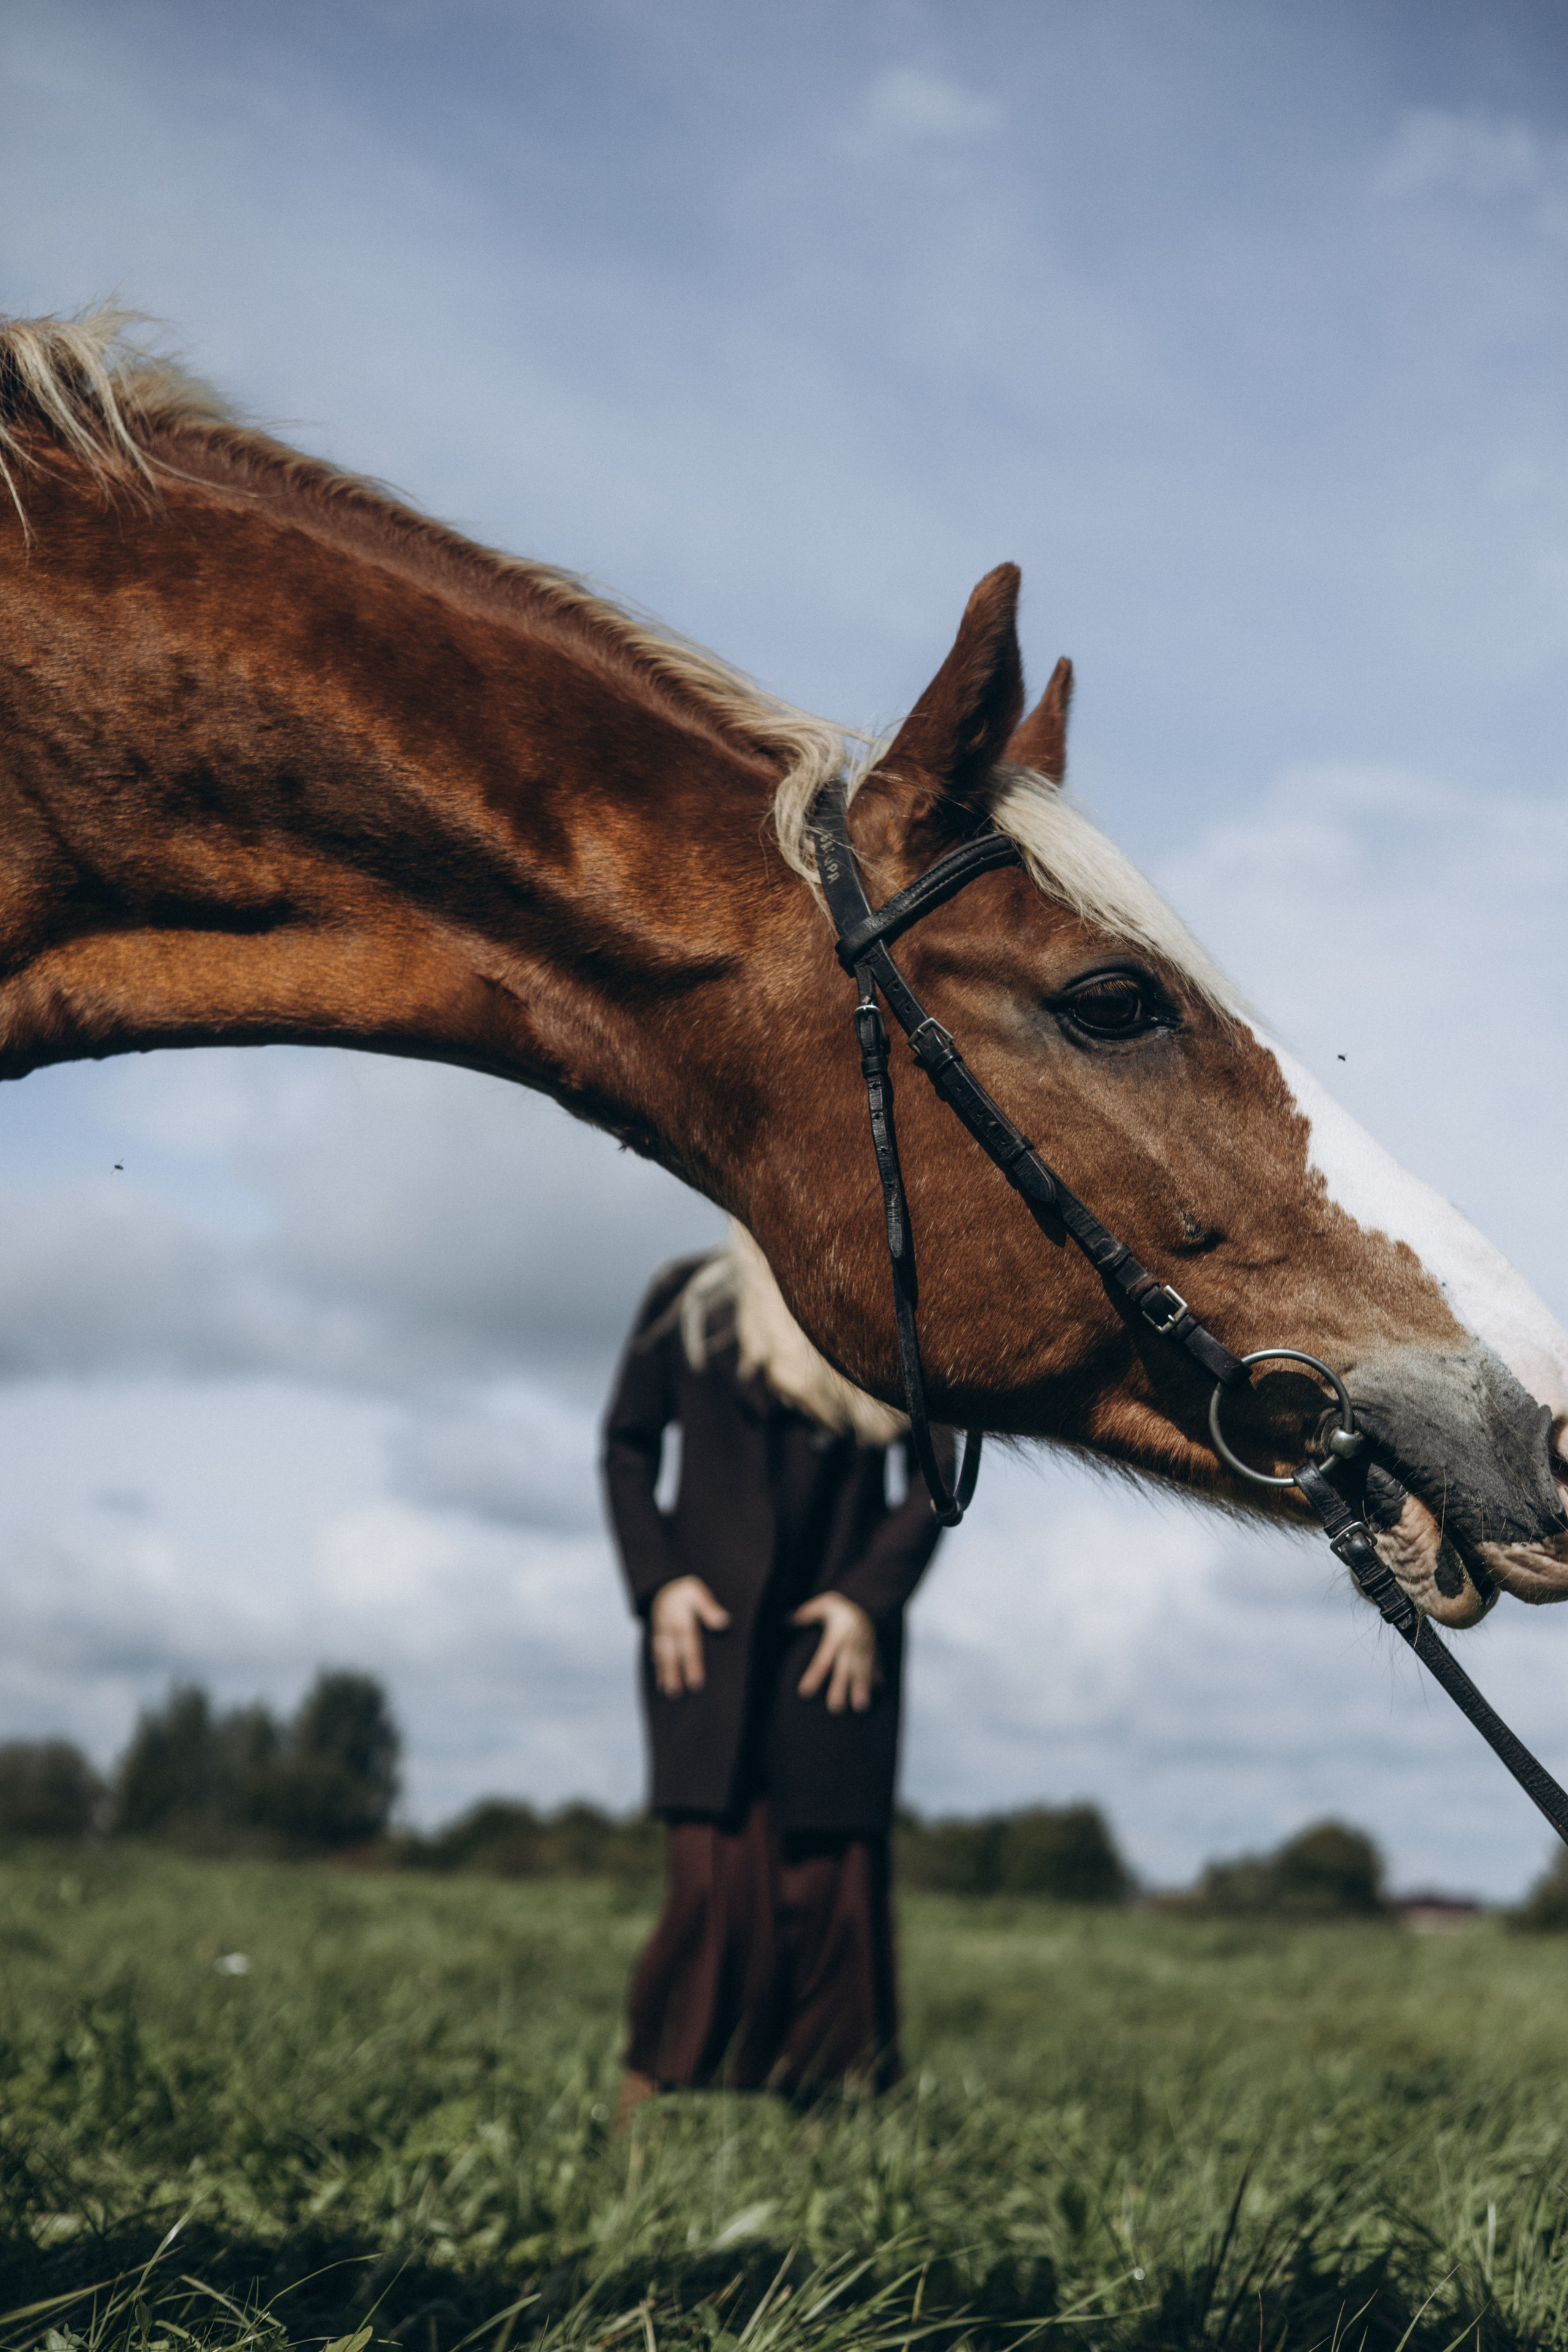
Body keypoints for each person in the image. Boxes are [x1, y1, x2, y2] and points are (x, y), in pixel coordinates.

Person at [601, 1221, 949, 2114]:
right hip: (708, 1640)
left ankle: (833, 2129)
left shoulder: (882, 1304)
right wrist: (661, 1584)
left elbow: (938, 1469)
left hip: (832, 1643)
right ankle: (646, 2101)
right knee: (711, 1887)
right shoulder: (686, 1297)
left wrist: (868, 1600)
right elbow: (628, 1447)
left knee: (832, 1890)